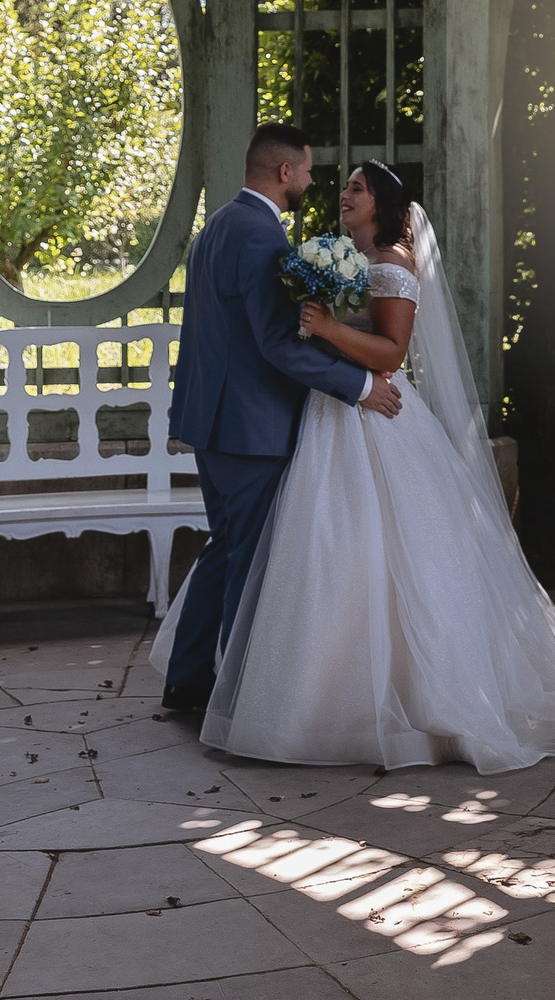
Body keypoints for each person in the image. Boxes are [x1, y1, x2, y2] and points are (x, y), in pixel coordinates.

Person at [152, 159, 555, 771]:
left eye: (358, 188)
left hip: (376, 413)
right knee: (318, 547)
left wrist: (327, 328)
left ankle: (366, 695)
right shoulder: (335, 256)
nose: (343, 194)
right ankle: (283, 689)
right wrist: (317, 326)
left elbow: (391, 352)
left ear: (382, 202)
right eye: (344, 186)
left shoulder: (393, 262)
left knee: (377, 548)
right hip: (327, 416)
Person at [159, 123, 403, 719]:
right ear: (285, 172)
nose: (315, 182)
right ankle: (238, 699)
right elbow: (278, 343)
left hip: (211, 421)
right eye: (310, 170)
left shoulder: (218, 225)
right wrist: (360, 386)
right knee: (250, 562)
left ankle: (188, 681)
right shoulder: (261, 236)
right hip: (251, 426)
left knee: (224, 548)